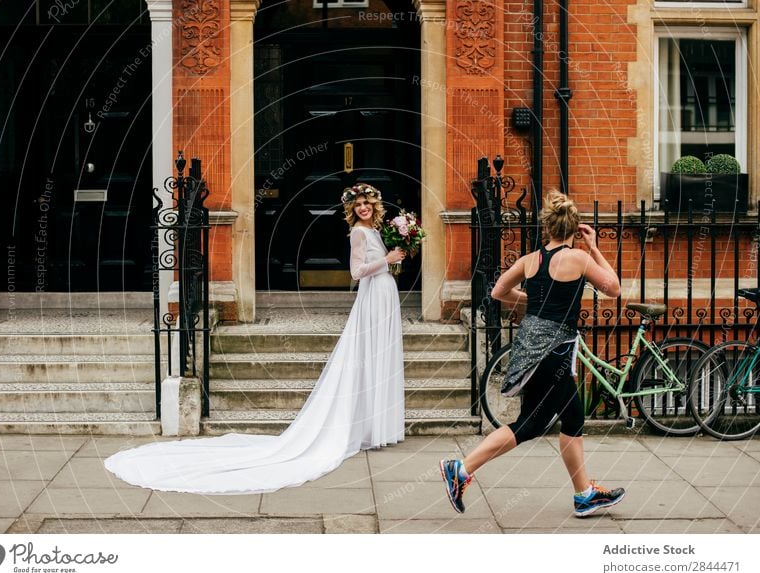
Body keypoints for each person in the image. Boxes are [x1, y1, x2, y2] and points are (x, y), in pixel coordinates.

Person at [104, 183, 406, 494]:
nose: (362, 209)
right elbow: (356, 272)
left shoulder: (376, 230)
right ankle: (363, 426)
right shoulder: (358, 232)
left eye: (366, 203)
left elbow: (377, 263)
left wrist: (395, 255)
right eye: (357, 205)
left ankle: (373, 426)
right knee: (369, 356)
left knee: (378, 356)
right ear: (352, 209)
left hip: (383, 293)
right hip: (372, 297)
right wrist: (389, 259)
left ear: (375, 205)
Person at [439, 190, 625, 517]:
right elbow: (614, 288)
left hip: (529, 348)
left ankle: (584, 494)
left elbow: (498, 292)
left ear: (547, 227)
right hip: (555, 351)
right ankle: (462, 468)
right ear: (574, 228)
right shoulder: (578, 258)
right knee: (532, 424)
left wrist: (534, 302)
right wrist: (594, 247)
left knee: (569, 417)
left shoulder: (530, 260)